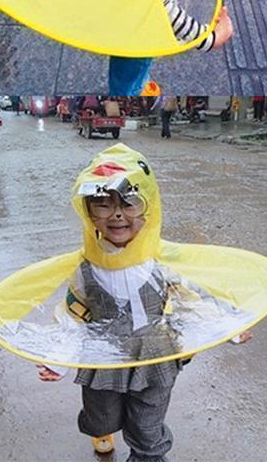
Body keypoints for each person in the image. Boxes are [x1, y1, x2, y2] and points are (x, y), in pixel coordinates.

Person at [35, 148, 193, 461]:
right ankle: (102, 428)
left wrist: (231, 328)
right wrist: (58, 358)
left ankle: (148, 455)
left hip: (156, 356)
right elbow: (71, 314)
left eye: (129, 203)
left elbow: (193, 302)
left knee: (148, 425)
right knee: (102, 416)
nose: (117, 215)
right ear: (89, 214)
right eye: (103, 206)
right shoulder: (86, 269)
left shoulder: (163, 263)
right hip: (103, 356)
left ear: (148, 210)